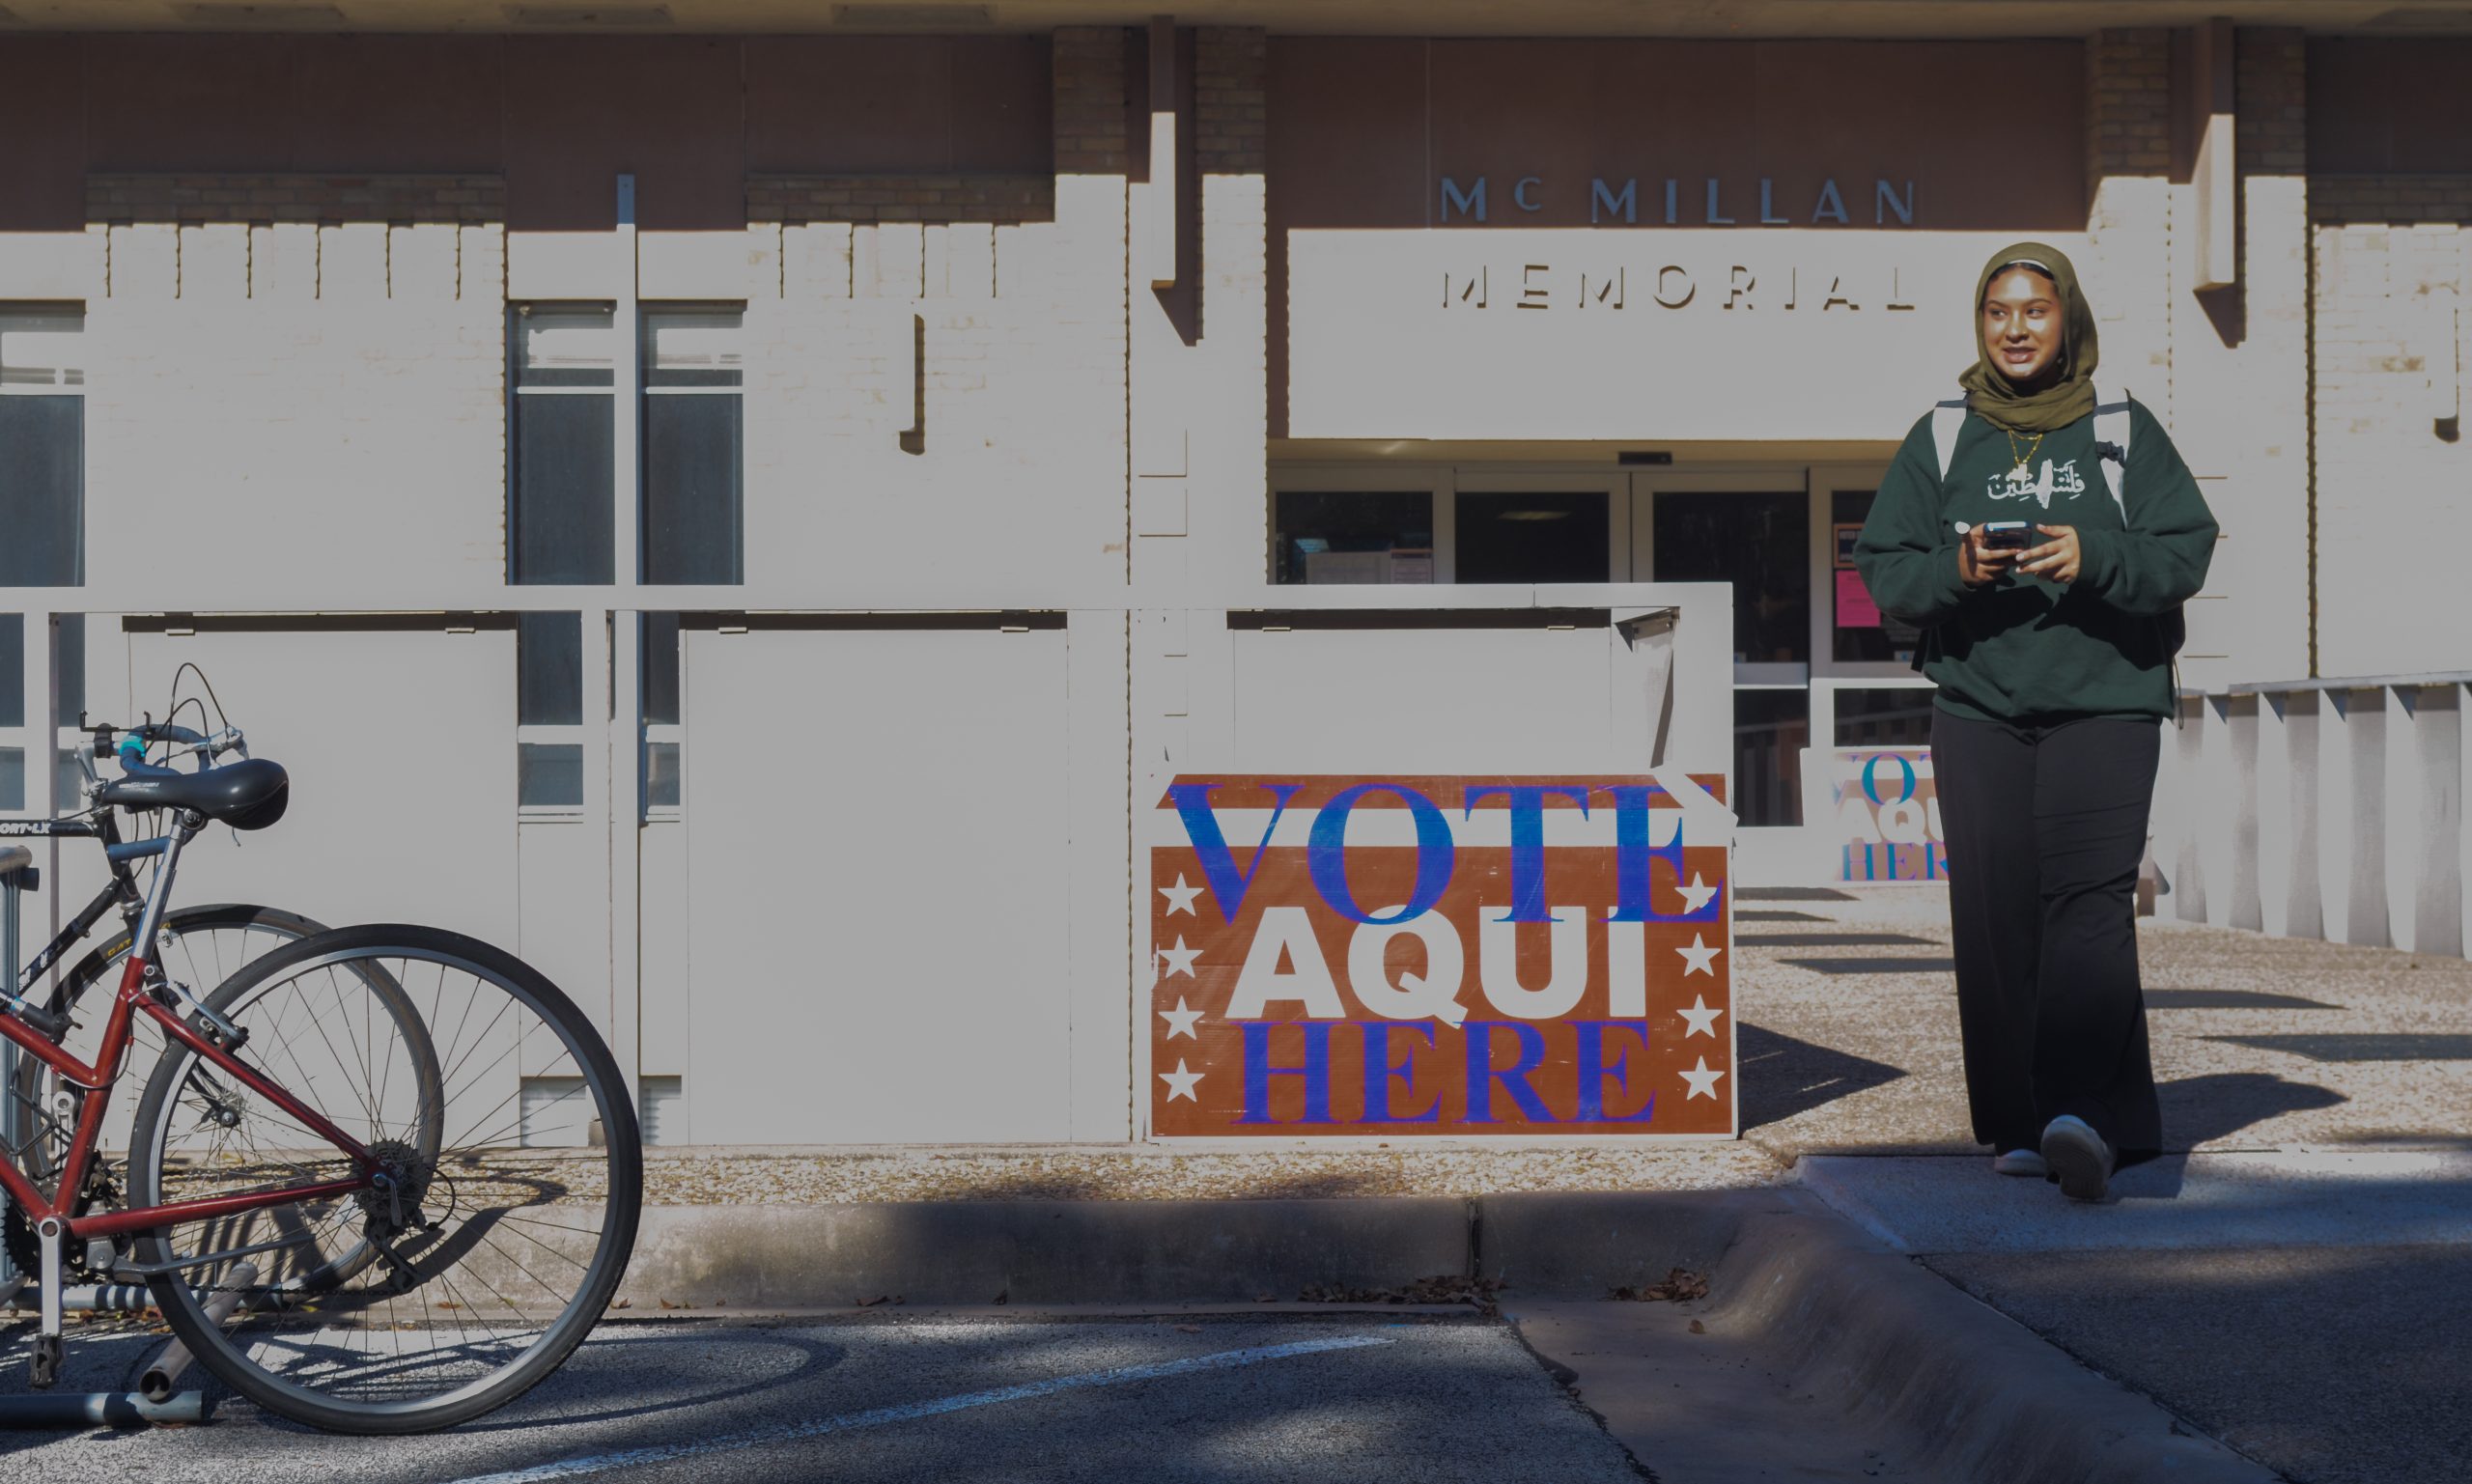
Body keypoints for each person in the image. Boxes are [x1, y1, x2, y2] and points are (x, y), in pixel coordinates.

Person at [1852, 242, 2218, 1202]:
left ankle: (2079, 1115)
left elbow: (2183, 551)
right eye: (1997, 312)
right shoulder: (1941, 435)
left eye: (2034, 310)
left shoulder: (2119, 428)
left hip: (2104, 701)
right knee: (1997, 916)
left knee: (2087, 910)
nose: (2014, 328)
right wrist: (1957, 570)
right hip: (1978, 708)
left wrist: (2089, 552)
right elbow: (1884, 566)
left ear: (2069, 321)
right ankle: (2028, 1121)